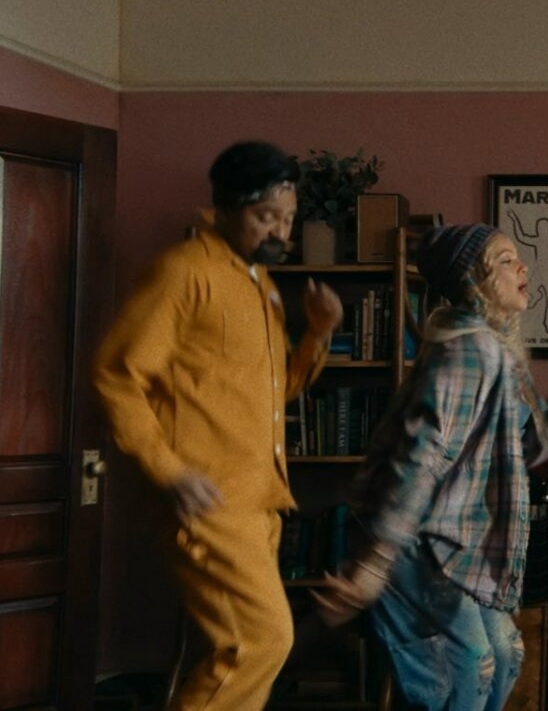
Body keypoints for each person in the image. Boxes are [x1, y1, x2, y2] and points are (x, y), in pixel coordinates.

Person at [311, 224, 548, 710]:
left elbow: (530, 445)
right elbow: (423, 456)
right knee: (469, 669)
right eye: (505, 260)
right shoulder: (466, 351)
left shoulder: (498, 353)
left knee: (505, 653)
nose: (522, 266)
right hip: (412, 541)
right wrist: (375, 561)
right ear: (474, 282)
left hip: (452, 542)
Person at [93, 140, 343, 710]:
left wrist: (318, 333)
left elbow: (280, 391)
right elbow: (116, 373)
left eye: (288, 218)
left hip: (261, 501)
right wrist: (167, 470)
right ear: (227, 206)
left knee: (247, 653)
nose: (280, 231)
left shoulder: (263, 286)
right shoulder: (183, 272)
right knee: (260, 641)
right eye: (266, 216)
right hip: (209, 499)